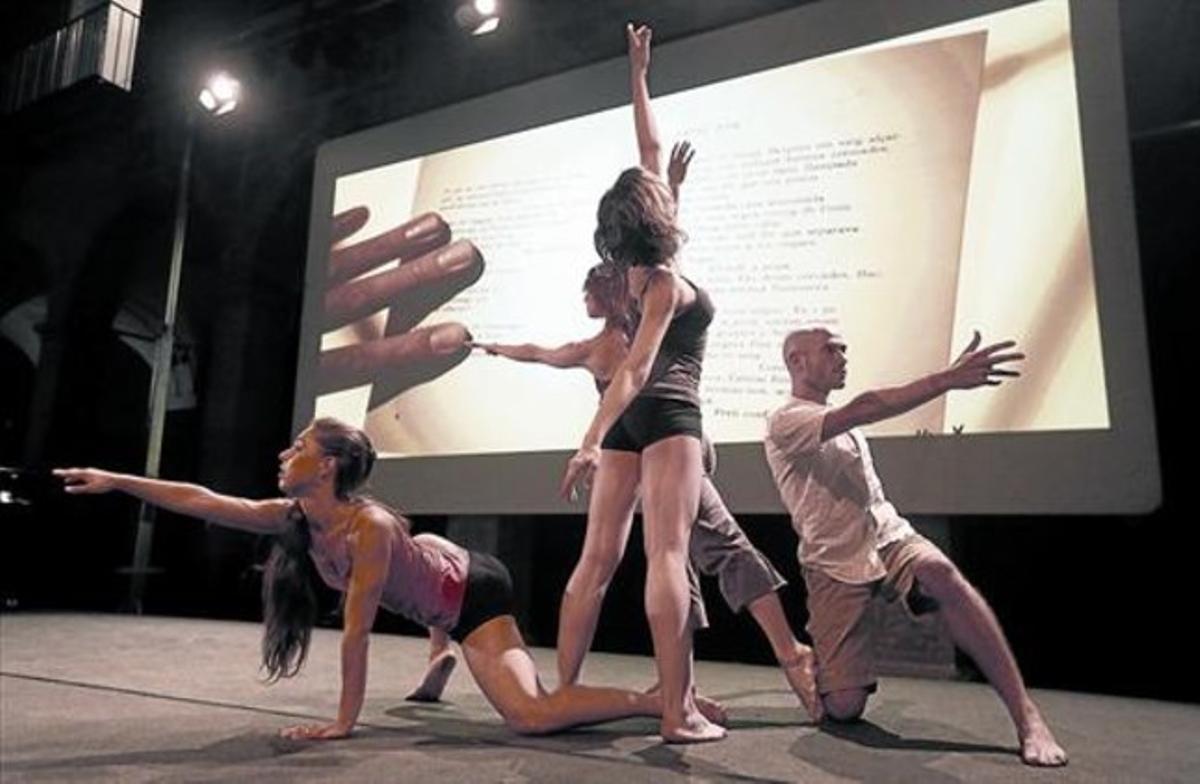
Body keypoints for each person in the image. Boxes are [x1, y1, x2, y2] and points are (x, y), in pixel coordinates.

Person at [54, 417, 680, 739]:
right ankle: (439, 656)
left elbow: (356, 635)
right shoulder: (296, 516)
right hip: (433, 562)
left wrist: (343, 722)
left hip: (475, 596)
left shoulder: (368, 530)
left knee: (531, 715)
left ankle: (656, 699)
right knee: (424, 551)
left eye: (296, 445)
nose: (282, 454)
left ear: (326, 466)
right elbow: (204, 499)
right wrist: (116, 479)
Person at [469, 254, 819, 720]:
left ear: (609, 292)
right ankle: (787, 656)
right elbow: (549, 353)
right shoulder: (643, 326)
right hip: (659, 437)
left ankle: (580, 690)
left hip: (632, 439)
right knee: (708, 550)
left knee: (634, 562)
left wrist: (495, 347)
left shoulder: (606, 342)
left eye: (589, 291)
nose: (584, 298)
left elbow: (539, 352)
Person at [763, 327, 1068, 767]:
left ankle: (1026, 715)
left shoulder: (841, 425)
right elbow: (867, 407)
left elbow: (861, 427)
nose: (843, 355)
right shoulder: (785, 419)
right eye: (830, 349)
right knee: (844, 708)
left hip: (888, 538)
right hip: (832, 565)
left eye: (845, 348)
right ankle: (821, 666)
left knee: (941, 574)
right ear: (796, 361)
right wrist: (945, 379)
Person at [557, 23, 723, 743]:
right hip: (665, 415)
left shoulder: (632, 272)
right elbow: (640, 367)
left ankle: (562, 691)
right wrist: (589, 439)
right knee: (667, 554)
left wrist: (638, 75)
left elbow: (650, 153)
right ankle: (676, 712)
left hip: (626, 420)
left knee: (597, 559)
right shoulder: (662, 283)